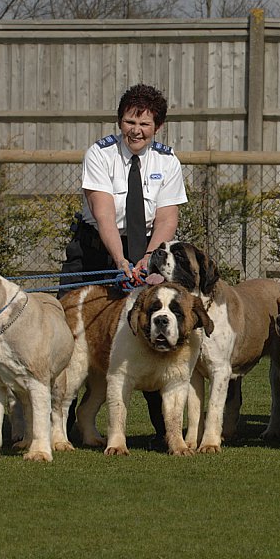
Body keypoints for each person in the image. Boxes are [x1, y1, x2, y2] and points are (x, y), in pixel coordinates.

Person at [60, 83, 187, 444]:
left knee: (150, 328)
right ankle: (57, 426)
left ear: (157, 127)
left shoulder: (167, 160)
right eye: (130, 121)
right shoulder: (99, 155)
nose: (136, 130)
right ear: (120, 121)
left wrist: (148, 258)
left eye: (145, 124)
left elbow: (167, 218)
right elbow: (102, 216)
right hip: (97, 248)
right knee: (69, 340)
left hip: (148, 247)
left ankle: (166, 430)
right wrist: (120, 260)